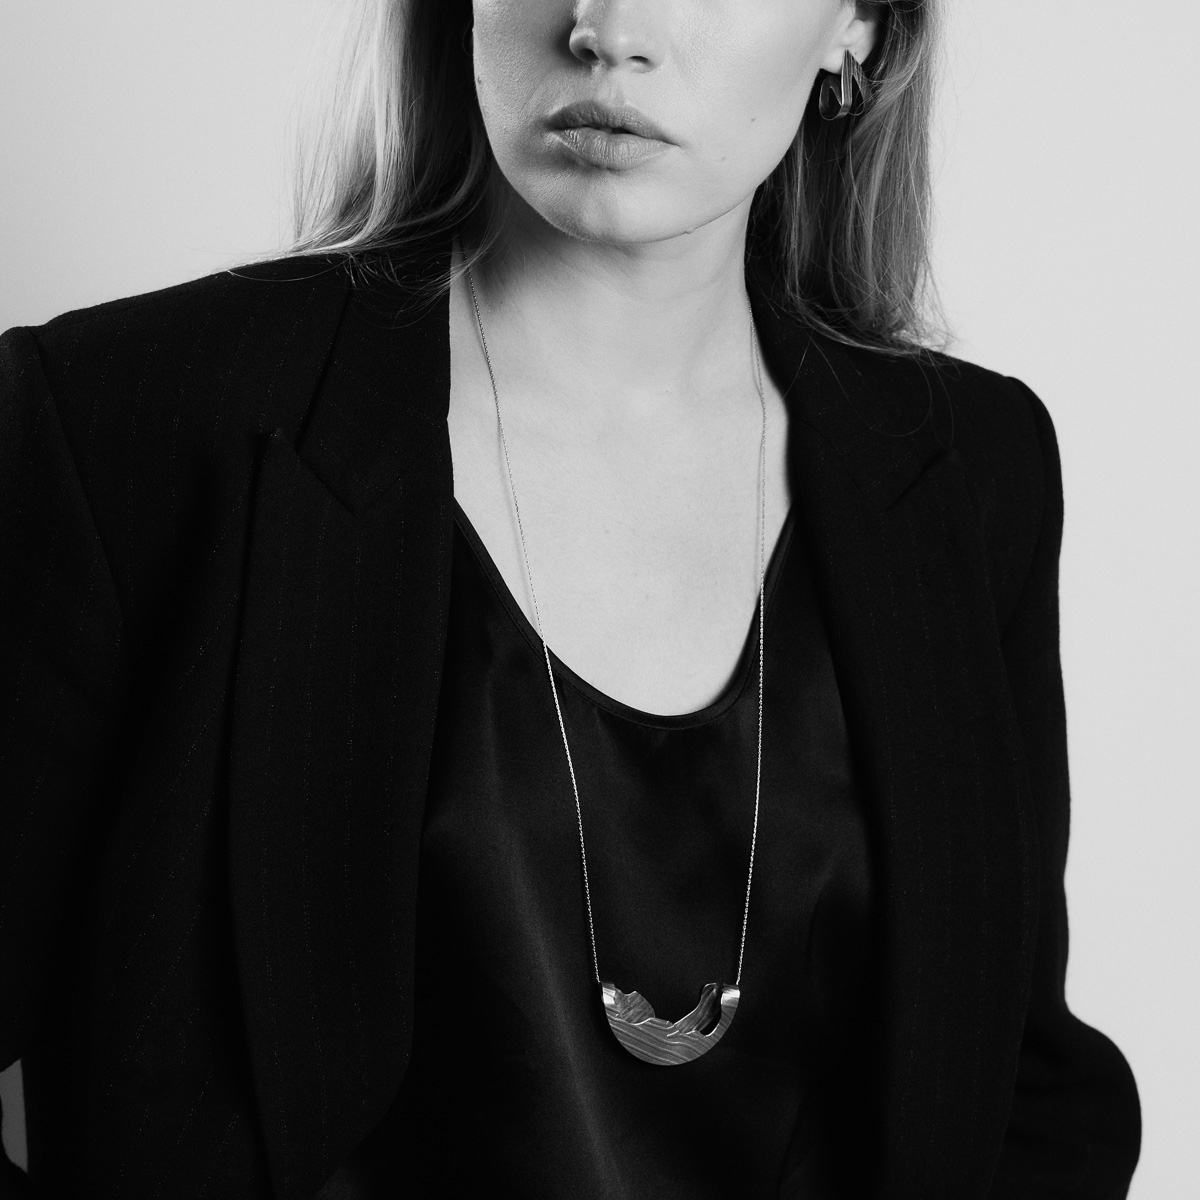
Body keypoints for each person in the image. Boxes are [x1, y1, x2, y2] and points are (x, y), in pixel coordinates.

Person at [0, 0, 1141, 1196]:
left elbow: (1015, 1079)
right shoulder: (125, 426)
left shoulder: (969, 467)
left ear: (856, 26)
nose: (608, 27)